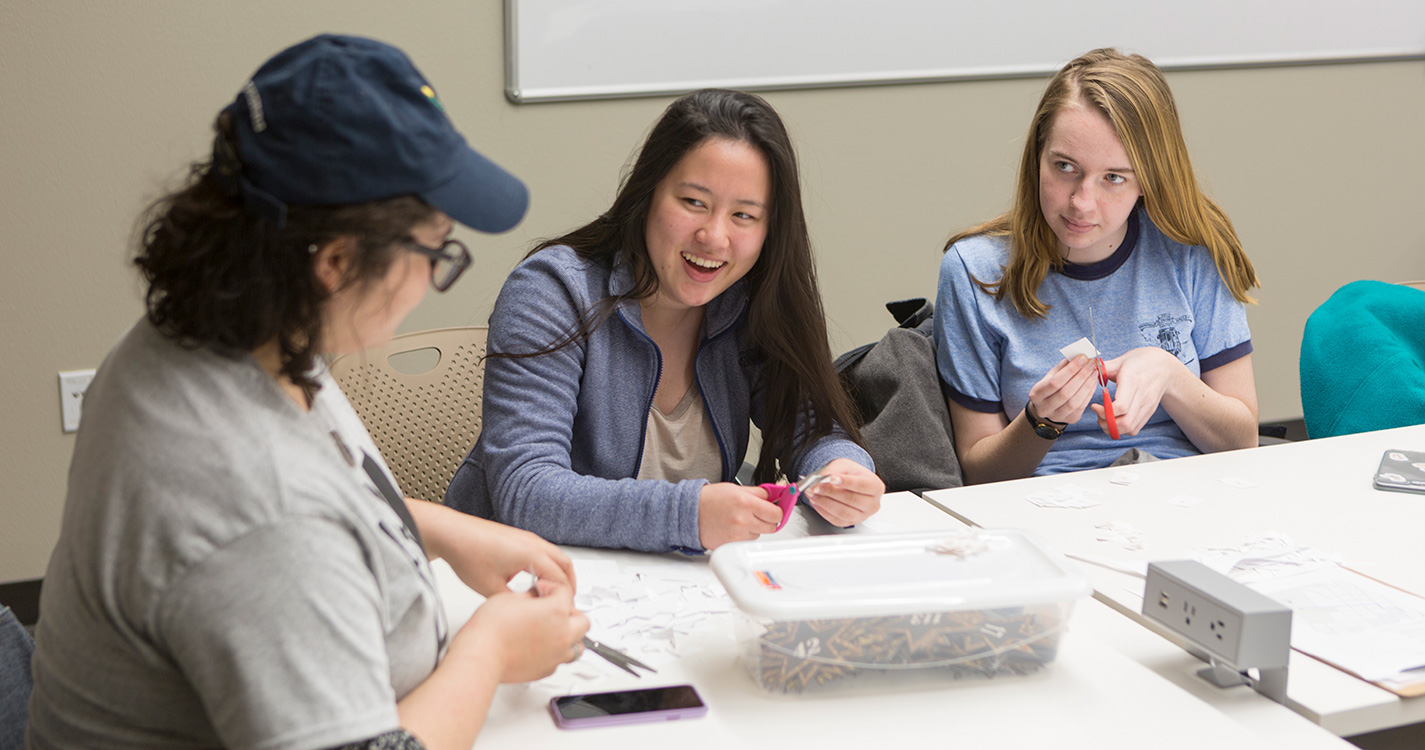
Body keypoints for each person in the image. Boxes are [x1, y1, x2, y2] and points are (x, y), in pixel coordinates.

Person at [27, 35, 588, 750]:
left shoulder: (213, 336)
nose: (432, 279)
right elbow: (276, 524)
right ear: (334, 262)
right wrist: (491, 653)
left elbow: (318, 485)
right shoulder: (254, 511)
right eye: (435, 250)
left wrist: (441, 530)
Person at [444, 89, 884, 553]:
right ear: (648, 192)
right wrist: (689, 514)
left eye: (744, 215)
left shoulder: (746, 301)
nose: (714, 237)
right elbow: (527, 492)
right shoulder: (552, 291)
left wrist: (842, 469)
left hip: (664, 587)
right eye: (694, 202)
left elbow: (809, 426)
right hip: (512, 580)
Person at [935, 48, 1260, 483]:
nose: (1081, 203)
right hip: (1047, 503)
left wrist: (1168, 376)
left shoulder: (1191, 249)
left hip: (1186, 491)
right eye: (1065, 167)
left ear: (1148, 179)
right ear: (1037, 157)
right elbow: (979, 472)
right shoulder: (974, 271)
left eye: (1114, 177)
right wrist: (1041, 422)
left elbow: (1243, 442)